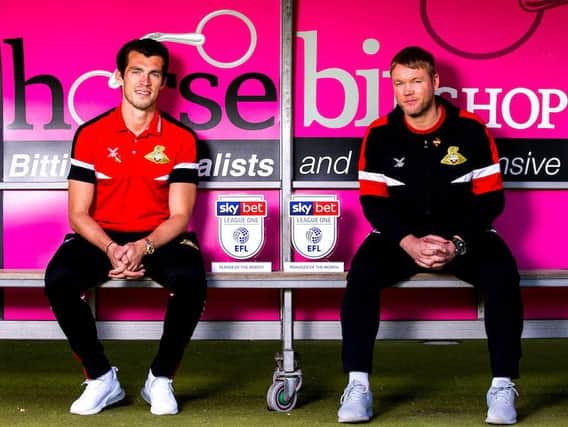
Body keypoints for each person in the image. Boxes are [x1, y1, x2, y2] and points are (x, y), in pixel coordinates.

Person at [337, 46, 523, 425]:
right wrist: (408, 242)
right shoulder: (379, 133)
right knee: (361, 276)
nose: (407, 91)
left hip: (463, 237)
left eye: (416, 81)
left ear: (435, 83)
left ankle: (502, 385)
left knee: (503, 273)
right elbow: (374, 204)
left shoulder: (471, 130)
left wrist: (457, 243)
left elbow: (490, 201)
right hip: (400, 238)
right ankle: (358, 385)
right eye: (399, 83)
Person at [44, 38, 206, 416]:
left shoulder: (182, 140)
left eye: (154, 74)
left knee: (192, 278)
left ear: (164, 82)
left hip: (160, 237)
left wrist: (143, 247)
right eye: (136, 72)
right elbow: (78, 213)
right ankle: (102, 379)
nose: (145, 82)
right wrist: (112, 248)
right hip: (103, 237)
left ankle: (161, 378)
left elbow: (180, 215)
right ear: (119, 77)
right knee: (59, 278)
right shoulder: (91, 134)